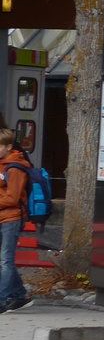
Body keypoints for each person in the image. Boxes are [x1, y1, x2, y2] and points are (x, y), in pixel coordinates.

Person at [0, 127, 34, 313]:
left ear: (8, 147)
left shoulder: (15, 168)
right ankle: (19, 294)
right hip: (2, 216)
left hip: (11, 218)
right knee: (3, 260)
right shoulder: (2, 164)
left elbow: (13, 198)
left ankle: (4, 300)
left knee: (5, 260)